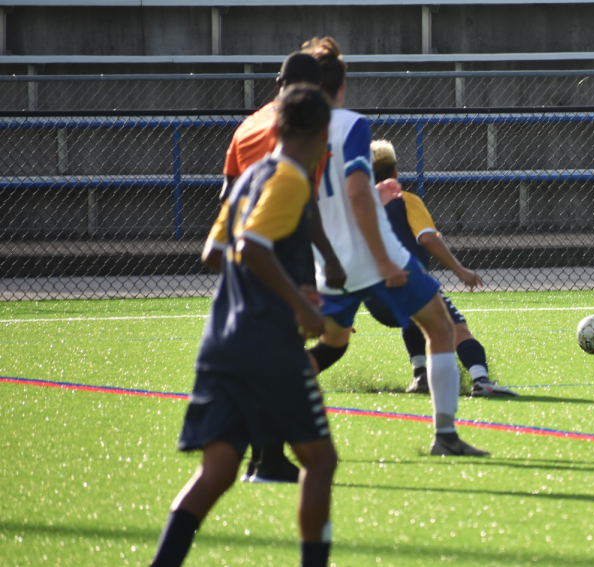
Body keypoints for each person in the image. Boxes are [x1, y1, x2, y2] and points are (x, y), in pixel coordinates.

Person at [149, 86, 337, 567]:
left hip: (222, 344)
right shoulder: (293, 179)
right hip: (269, 345)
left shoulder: (250, 175)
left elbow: (215, 253)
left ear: (276, 128)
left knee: (218, 472)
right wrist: (301, 305)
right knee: (320, 461)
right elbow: (253, 245)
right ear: (322, 133)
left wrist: (272, 286)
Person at [301, 36, 488, 457]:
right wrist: (385, 259)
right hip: (374, 258)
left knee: (332, 345)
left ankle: (274, 395)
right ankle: (445, 437)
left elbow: (302, 201)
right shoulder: (351, 125)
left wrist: (315, 263)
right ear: (342, 86)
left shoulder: (297, 133)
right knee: (440, 327)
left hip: (332, 263)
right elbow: (357, 194)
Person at [222, 51, 346, 484]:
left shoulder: (246, 127)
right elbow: (304, 200)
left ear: (278, 82)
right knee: (282, 357)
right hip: (281, 251)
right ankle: (268, 459)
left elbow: (229, 196)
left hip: (241, 254)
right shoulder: (305, 124)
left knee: (263, 355)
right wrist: (326, 261)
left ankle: (262, 458)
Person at [364, 139, 518, 397]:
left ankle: (421, 375)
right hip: (406, 281)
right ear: (395, 171)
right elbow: (427, 238)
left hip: (373, 299)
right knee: (456, 327)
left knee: (414, 316)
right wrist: (460, 271)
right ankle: (481, 380)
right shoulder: (404, 199)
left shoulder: (355, 206)